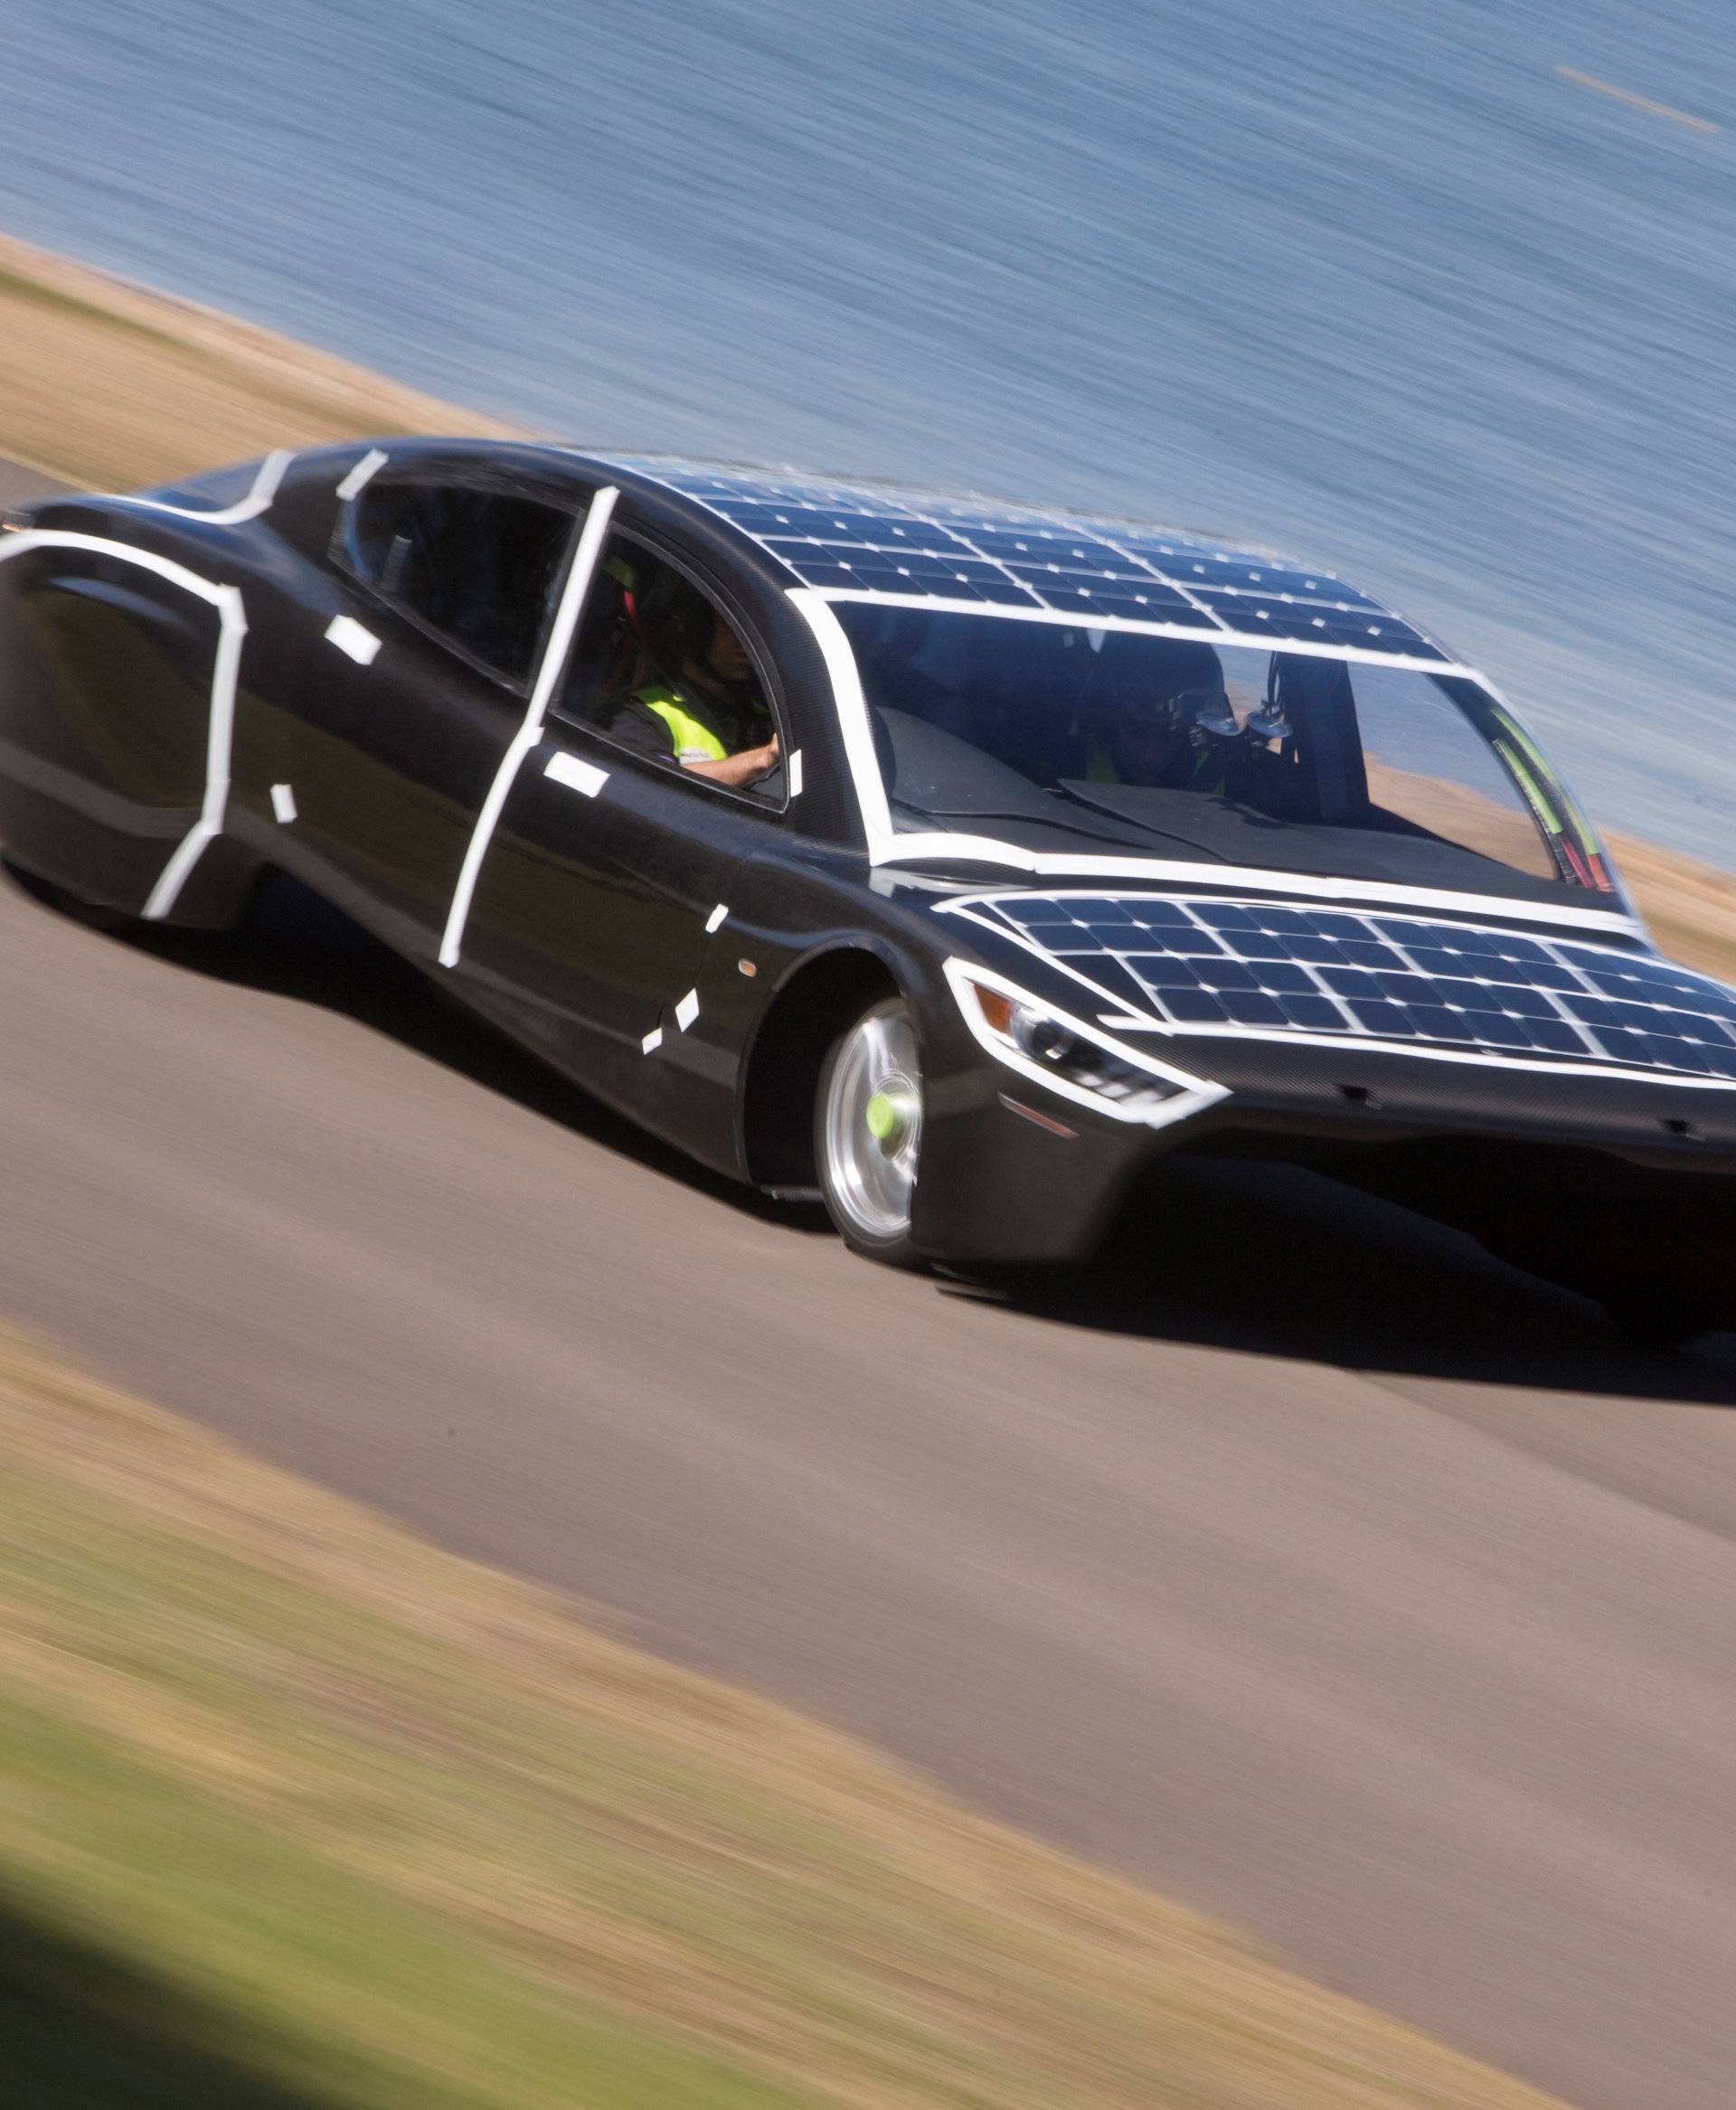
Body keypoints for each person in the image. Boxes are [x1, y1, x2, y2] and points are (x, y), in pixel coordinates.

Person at [599, 577, 780, 790]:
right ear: (696, 629)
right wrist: (765, 757)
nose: (746, 641)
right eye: (731, 625)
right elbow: (653, 787)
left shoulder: (768, 717)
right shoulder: (639, 716)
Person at [1086, 638, 1241, 795]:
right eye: (1136, 732)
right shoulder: (1072, 759)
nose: (1149, 756)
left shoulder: (1226, 780)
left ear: (1190, 735)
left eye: (1167, 736)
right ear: (1109, 725)